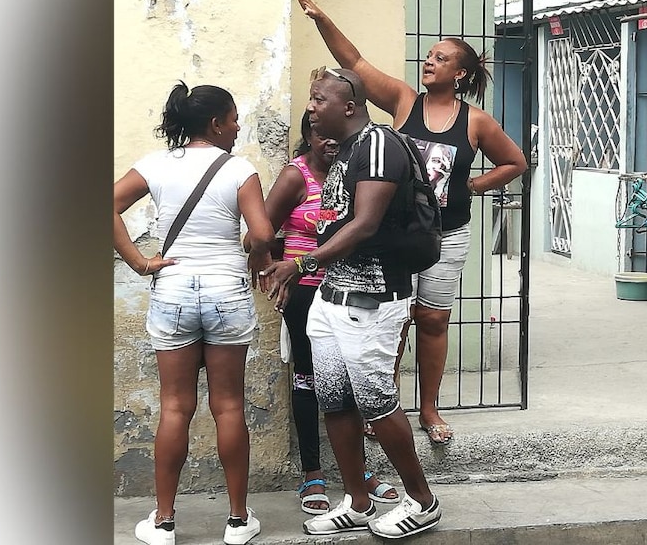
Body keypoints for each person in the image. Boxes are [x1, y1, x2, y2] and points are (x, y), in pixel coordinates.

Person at [291, 0, 528, 445]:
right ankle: (385, 404)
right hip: (396, 235)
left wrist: (471, 185)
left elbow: (515, 163)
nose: (429, 61)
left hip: (447, 234)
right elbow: (356, 64)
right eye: (430, 55)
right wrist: (322, 20)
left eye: (441, 58)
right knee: (393, 317)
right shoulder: (403, 101)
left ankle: (430, 408)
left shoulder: (475, 121)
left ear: (459, 74)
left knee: (434, 319)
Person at [261, 67, 442, 539]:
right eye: (311, 97)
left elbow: (363, 224)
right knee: (336, 401)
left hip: (374, 298)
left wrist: (298, 266)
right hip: (331, 296)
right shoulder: (343, 154)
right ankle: (358, 501)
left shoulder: (379, 144)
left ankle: (423, 502)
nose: (311, 106)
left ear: (349, 105)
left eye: (320, 98)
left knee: (377, 403)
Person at [113, 82, 272, 545]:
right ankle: (238, 521)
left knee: (175, 407)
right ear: (215, 124)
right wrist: (248, 252)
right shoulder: (239, 169)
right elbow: (261, 232)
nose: (238, 126)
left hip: (174, 291)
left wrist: (140, 263)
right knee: (228, 407)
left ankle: (163, 521)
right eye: (234, 118)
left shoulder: (156, 165)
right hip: (226, 293)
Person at [249, 112, 399, 514]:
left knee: (350, 385)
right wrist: (273, 274)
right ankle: (312, 473)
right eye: (317, 134)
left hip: (350, 291)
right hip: (304, 294)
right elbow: (259, 233)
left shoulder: (356, 171)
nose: (327, 141)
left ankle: (359, 475)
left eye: (329, 133)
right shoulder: (296, 176)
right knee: (308, 380)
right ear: (308, 137)